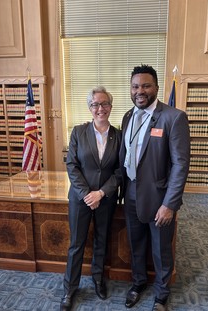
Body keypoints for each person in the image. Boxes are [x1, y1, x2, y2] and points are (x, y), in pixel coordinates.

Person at [119, 65, 190, 311]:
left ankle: (161, 295)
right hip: (130, 193)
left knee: (161, 249)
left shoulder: (173, 117)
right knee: (135, 243)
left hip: (159, 197)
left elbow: (180, 164)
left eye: (146, 86)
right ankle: (138, 282)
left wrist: (170, 204)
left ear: (156, 88)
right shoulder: (127, 116)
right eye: (135, 86)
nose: (140, 91)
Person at [60, 86, 121, 311]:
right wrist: (87, 194)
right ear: (89, 107)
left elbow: (119, 170)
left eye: (105, 103)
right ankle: (69, 288)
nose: (100, 108)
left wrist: (101, 193)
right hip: (80, 199)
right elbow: (72, 166)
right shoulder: (78, 132)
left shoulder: (119, 135)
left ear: (111, 107)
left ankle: (98, 279)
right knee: (76, 244)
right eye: (95, 104)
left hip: (105, 198)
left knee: (101, 240)